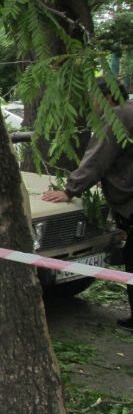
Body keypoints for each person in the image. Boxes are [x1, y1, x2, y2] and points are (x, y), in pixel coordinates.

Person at [42, 77, 133, 331]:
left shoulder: (117, 117)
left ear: (108, 97)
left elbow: (98, 159)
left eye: (93, 97)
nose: (90, 104)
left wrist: (71, 190)